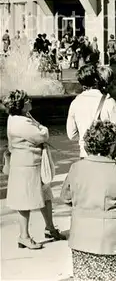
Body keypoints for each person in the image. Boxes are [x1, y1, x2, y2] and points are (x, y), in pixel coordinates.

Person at [61, 120, 116, 281]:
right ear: (112, 146)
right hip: (114, 243)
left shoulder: (76, 168)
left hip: (82, 240)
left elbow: (66, 197)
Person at [4, 90, 64, 249]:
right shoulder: (21, 123)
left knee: (45, 195)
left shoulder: (19, 118)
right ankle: (24, 236)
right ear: (21, 105)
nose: (30, 101)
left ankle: (50, 228)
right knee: (25, 200)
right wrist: (42, 128)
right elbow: (42, 135)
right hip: (27, 164)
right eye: (27, 100)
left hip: (29, 163)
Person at [66, 64, 116, 160]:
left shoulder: (75, 103)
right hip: (107, 157)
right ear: (97, 80)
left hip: (86, 155)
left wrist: (84, 136)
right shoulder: (109, 102)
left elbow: (71, 135)